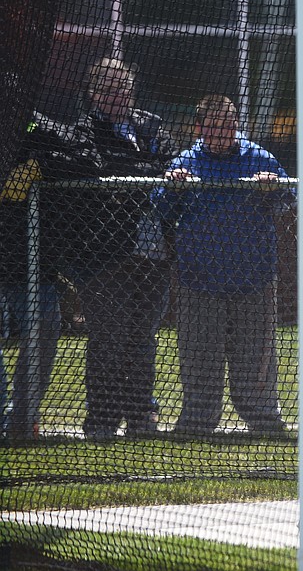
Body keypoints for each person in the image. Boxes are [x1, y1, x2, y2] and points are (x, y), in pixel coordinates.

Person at [153, 95, 294, 435]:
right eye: (214, 126)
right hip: (198, 278)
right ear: (200, 128)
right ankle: (197, 422)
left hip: (255, 277)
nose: (222, 132)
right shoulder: (186, 161)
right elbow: (160, 210)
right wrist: (173, 189)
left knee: (257, 356)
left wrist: (270, 189)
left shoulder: (258, 156)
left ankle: (264, 421)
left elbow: (290, 197)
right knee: (199, 355)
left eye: (229, 125)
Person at [71, 58, 179, 440]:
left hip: (153, 253)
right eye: (109, 89)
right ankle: (101, 419)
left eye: (123, 89)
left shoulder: (149, 125)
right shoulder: (85, 128)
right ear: (93, 93)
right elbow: (101, 166)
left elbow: (169, 163)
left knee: (142, 339)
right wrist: (145, 170)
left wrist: (142, 170)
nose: (118, 96)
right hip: (104, 253)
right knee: (109, 339)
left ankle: (140, 416)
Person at [0, 110, 100, 438]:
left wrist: (40, 166)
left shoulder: (38, 125)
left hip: (27, 262)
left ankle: (21, 419)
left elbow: (88, 160)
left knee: (45, 327)